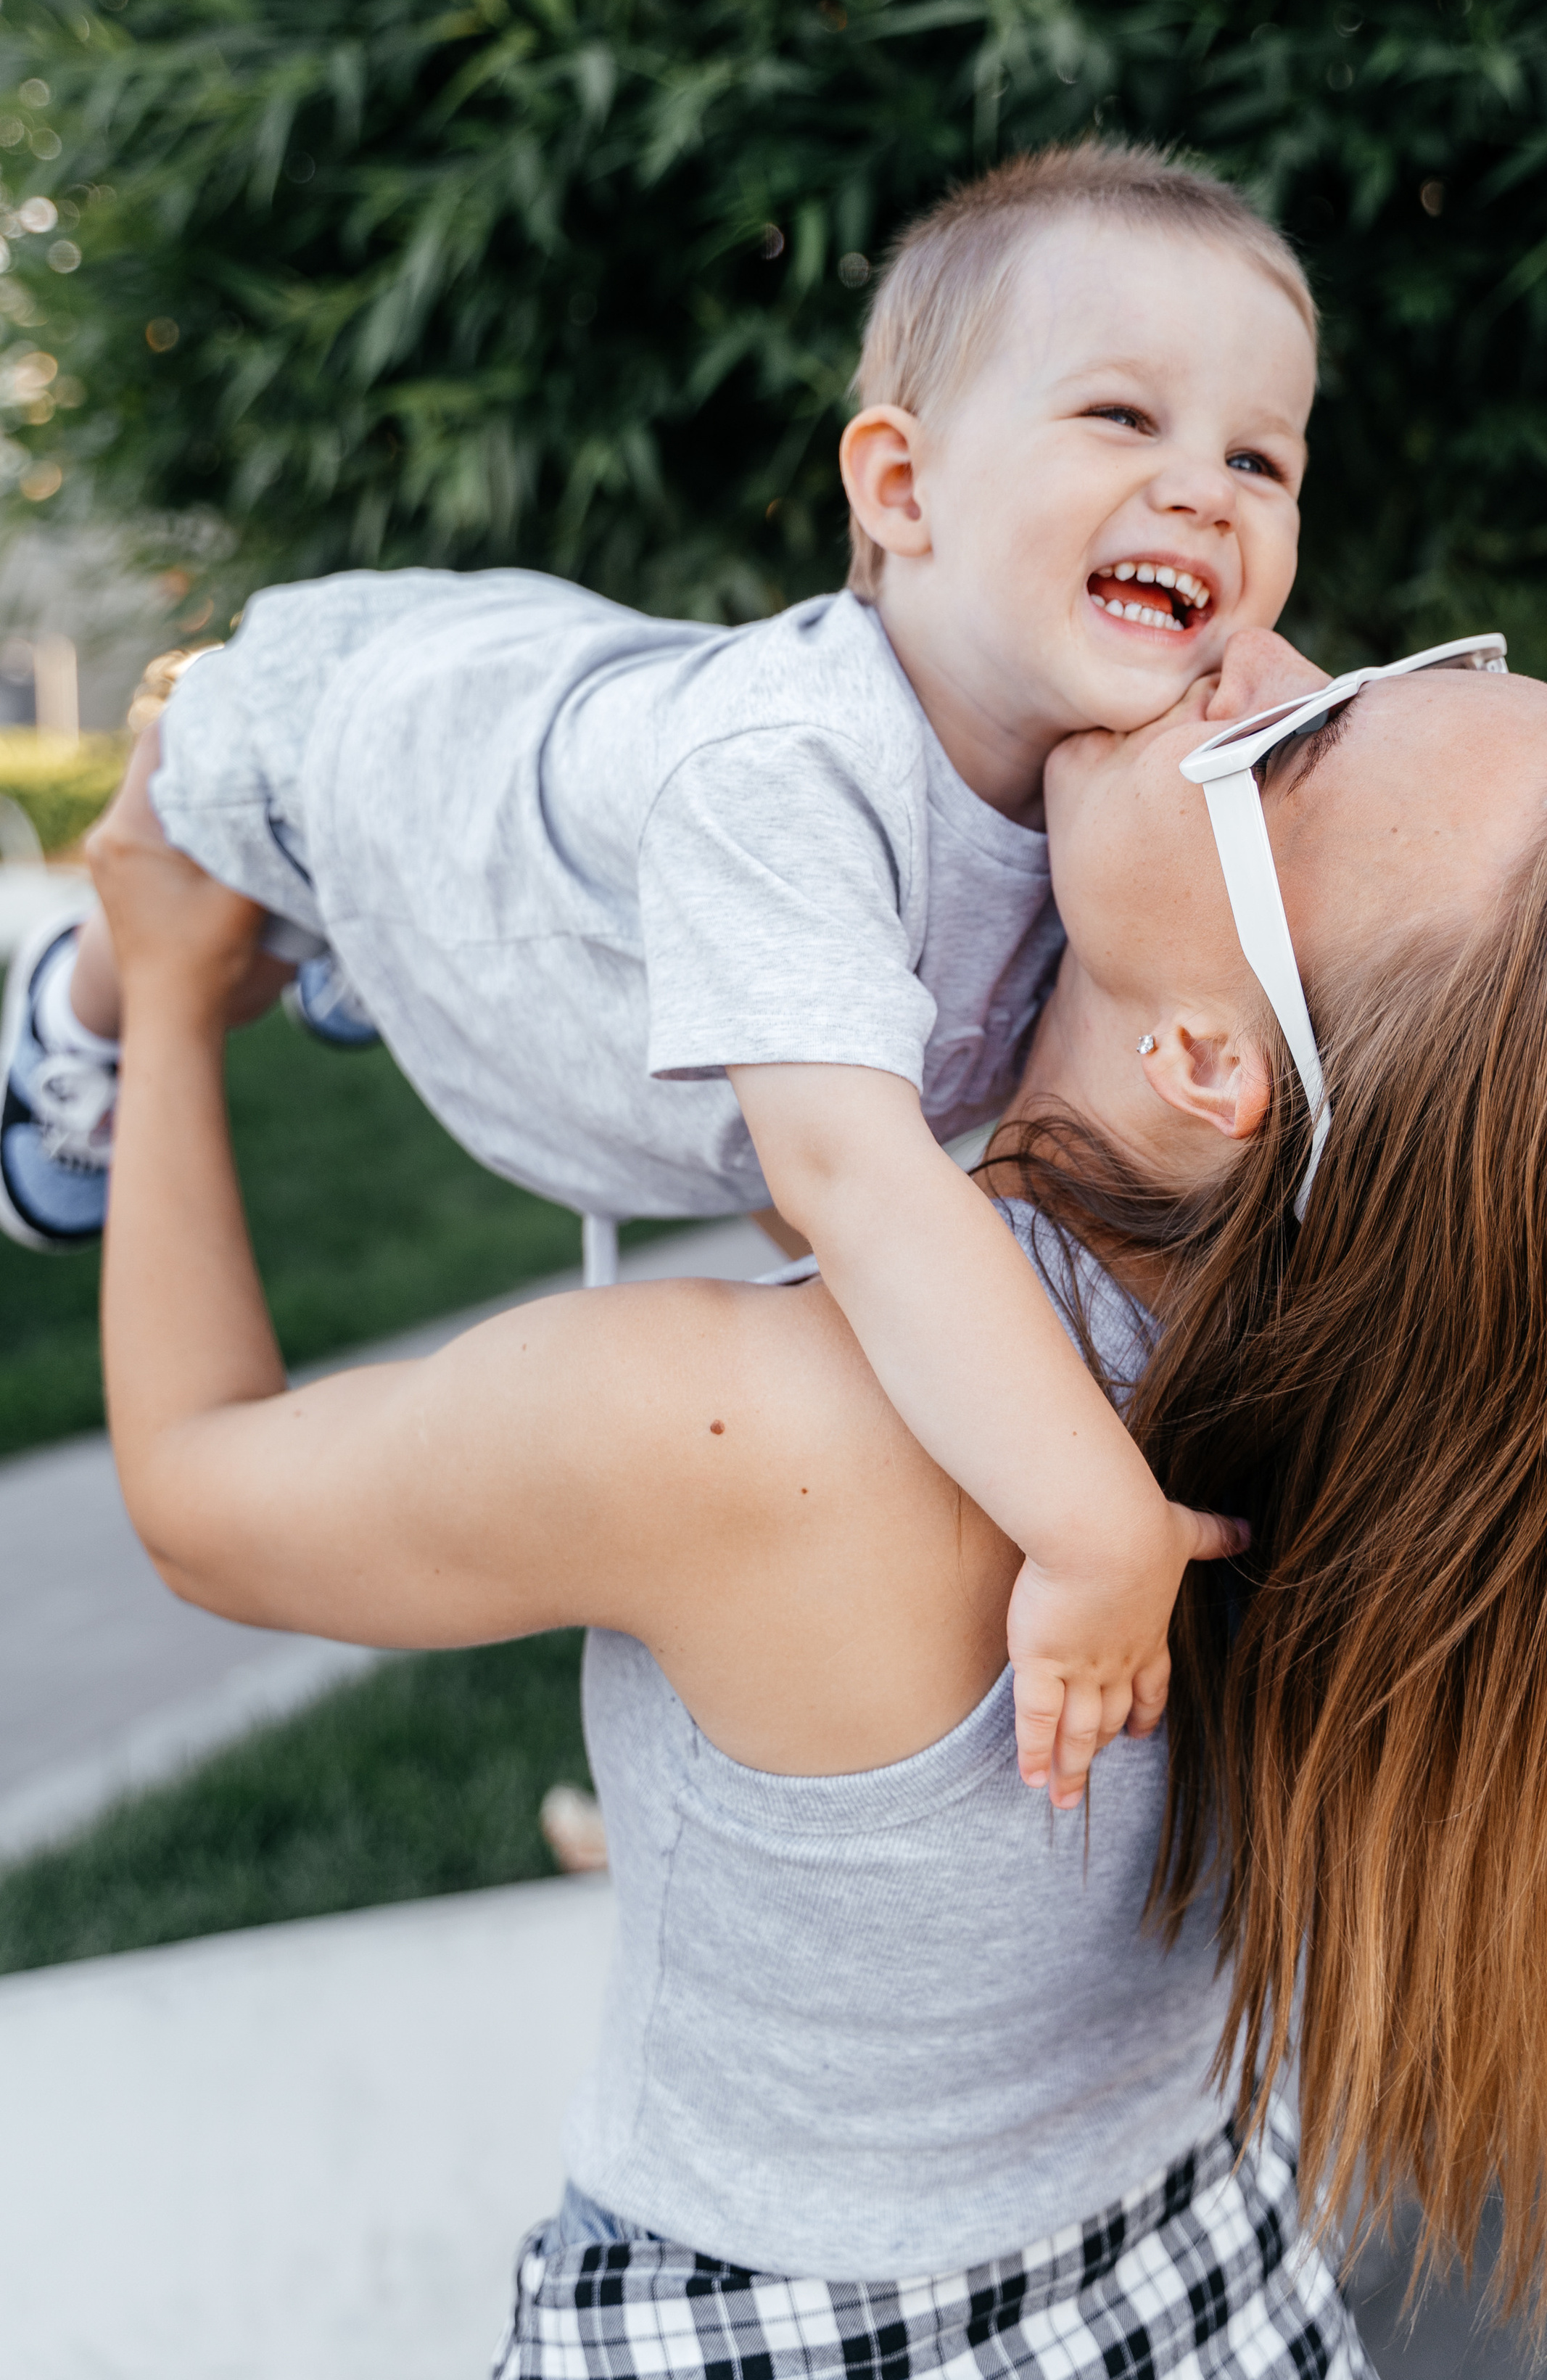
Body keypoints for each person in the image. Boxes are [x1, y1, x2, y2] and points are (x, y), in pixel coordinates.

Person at [90, 622, 1547, 2372]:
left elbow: (193, 1496)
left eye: (1292, 745)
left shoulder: (762, 1433)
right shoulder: (1353, 1454)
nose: (1248, 644)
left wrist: (156, 990)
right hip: (1197, 2290)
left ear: (1213, 1064)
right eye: (1367, 660)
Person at [0, 139, 1319, 1808]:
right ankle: (72, 1040)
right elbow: (845, 1167)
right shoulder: (790, 774)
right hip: (349, 757)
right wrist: (1089, 1517)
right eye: (1122, 419)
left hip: (565, 833)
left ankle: (372, 971)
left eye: (1261, 458)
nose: (1203, 487)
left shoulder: (1093, 773)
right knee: (180, 900)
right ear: (900, 493)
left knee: (532, 940)